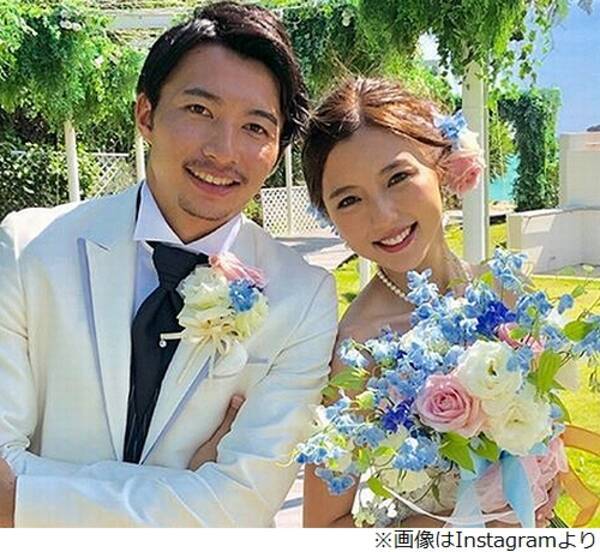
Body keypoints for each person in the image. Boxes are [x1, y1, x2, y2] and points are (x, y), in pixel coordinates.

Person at [0, 1, 337, 527]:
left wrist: (28, 500)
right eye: (200, 110)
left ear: (276, 150)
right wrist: (187, 494)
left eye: (255, 127)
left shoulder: (303, 297)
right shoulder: (29, 249)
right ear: (146, 115)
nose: (223, 151)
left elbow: (242, 506)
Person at [300, 77, 560, 528]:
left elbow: (546, 426)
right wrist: (471, 528)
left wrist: (548, 471)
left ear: (442, 165)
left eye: (398, 177)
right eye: (349, 200)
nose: (383, 215)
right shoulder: (358, 348)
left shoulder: (509, 290)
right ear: (329, 216)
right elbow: (323, 529)